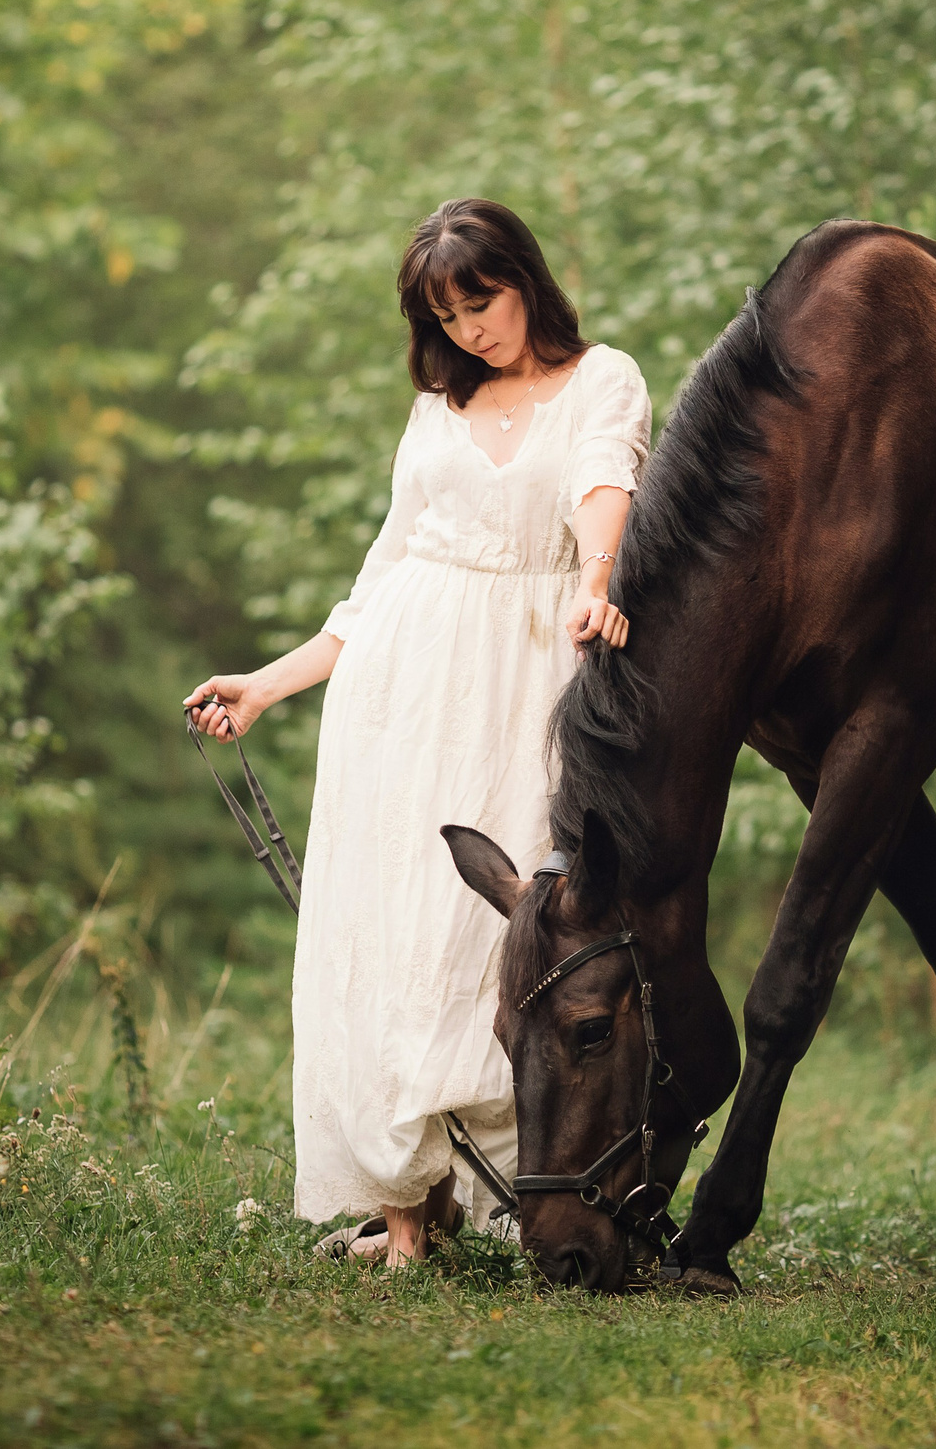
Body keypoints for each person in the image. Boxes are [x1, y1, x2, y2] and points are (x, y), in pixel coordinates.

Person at [185, 198, 650, 1266]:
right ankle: (406, 1213)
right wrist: (267, 684)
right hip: (400, 693)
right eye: (444, 315)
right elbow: (386, 569)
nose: (468, 330)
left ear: (524, 278)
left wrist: (593, 583)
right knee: (390, 932)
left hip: (529, 677)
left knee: (501, 931)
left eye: (479, 301)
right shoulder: (438, 410)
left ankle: (522, 1182)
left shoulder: (600, 377)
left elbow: (603, 481)